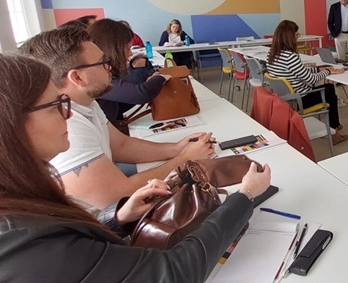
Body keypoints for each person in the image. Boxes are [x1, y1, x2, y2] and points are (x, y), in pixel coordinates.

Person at [0, 51, 271, 282]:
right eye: (54, 105)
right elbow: (173, 273)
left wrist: (118, 217)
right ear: (7, 125)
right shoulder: (20, 247)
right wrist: (244, 197)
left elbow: (73, 249)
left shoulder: (6, 208)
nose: (68, 115)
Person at [19, 27, 215, 209]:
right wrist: (186, 159)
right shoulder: (69, 126)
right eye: (104, 62)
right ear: (77, 78)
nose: (110, 68)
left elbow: (120, 145)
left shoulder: (85, 101)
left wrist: (175, 148)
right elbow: (117, 195)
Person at [266, 20, 348, 145]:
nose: (297, 38)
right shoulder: (291, 56)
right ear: (289, 37)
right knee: (329, 89)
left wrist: (317, 69)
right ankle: (335, 132)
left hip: (285, 99)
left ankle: (335, 125)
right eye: (296, 35)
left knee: (327, 89)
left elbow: (298, 71)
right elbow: (310, 79)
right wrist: (328, 71)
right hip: (300, 100)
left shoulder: (271, 55)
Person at [87, 19, 169, 125]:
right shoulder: (98, 77)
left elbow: (121, 102)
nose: (130, 54)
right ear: (113, 49)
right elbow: (141, 94)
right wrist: (161, 78)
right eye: (127, 48)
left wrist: (149, 83)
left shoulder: (105, 71)